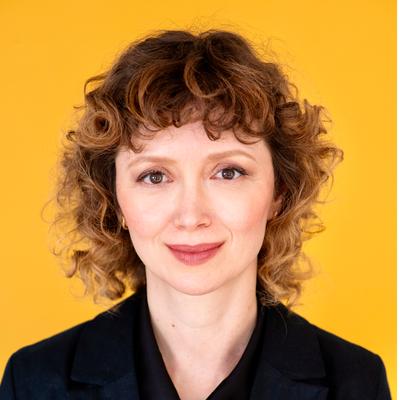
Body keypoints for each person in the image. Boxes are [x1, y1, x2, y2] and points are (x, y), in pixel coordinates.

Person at [0, 29, 391, 399]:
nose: (191, 216)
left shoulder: (356, 383)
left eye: (228, 172)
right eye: (154, 176)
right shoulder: (33, 381)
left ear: (280, 192)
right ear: (113, 201)